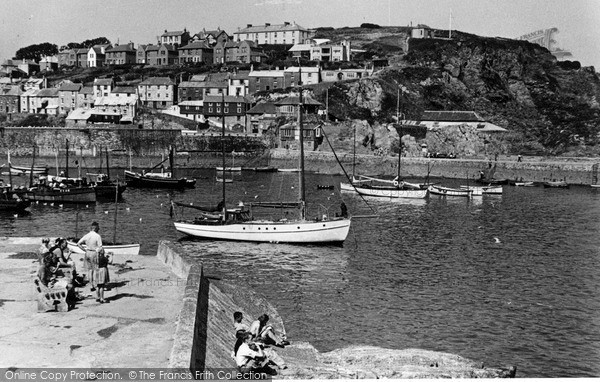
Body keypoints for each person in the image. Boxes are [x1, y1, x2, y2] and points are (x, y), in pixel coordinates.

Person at [77, 221, 103, 291]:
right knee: (94, 269)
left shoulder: (87, 235)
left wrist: (84, 250)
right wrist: (97, 251)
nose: (99, 229)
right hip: (94, 252)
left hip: (88, 252)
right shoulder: (97, 236)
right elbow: (100, 247)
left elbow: (78, 243)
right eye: (98, 228)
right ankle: (95, 284)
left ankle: (91, 285)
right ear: (95, 228)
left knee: (89, 270)